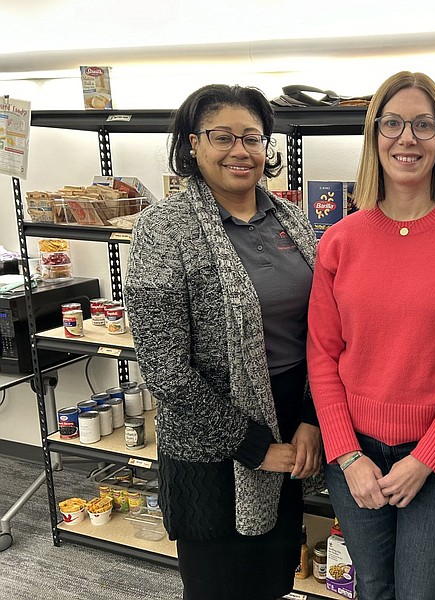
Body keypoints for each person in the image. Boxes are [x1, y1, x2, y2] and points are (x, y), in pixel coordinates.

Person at [306, 71, 435, 600]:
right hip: (355, 454)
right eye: (392, 123)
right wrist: (347, 455)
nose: (407, 138)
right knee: (371, 585)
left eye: (423, 125)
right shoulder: (340, 240)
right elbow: (322, 358)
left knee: (421, 593)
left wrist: (427, 458)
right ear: (374, 137)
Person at [125, 84, 321, 600]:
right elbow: (163, 365)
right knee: (219, 583)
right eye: (222, 137)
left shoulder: (292, 220)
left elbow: (323, 330)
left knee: (273, 575)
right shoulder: (161, 229)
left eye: (253, 138)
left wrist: (309, 419)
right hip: (210, 441)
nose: (240, 150)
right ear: (193, 144)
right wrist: (254, 446)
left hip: (291, 418)